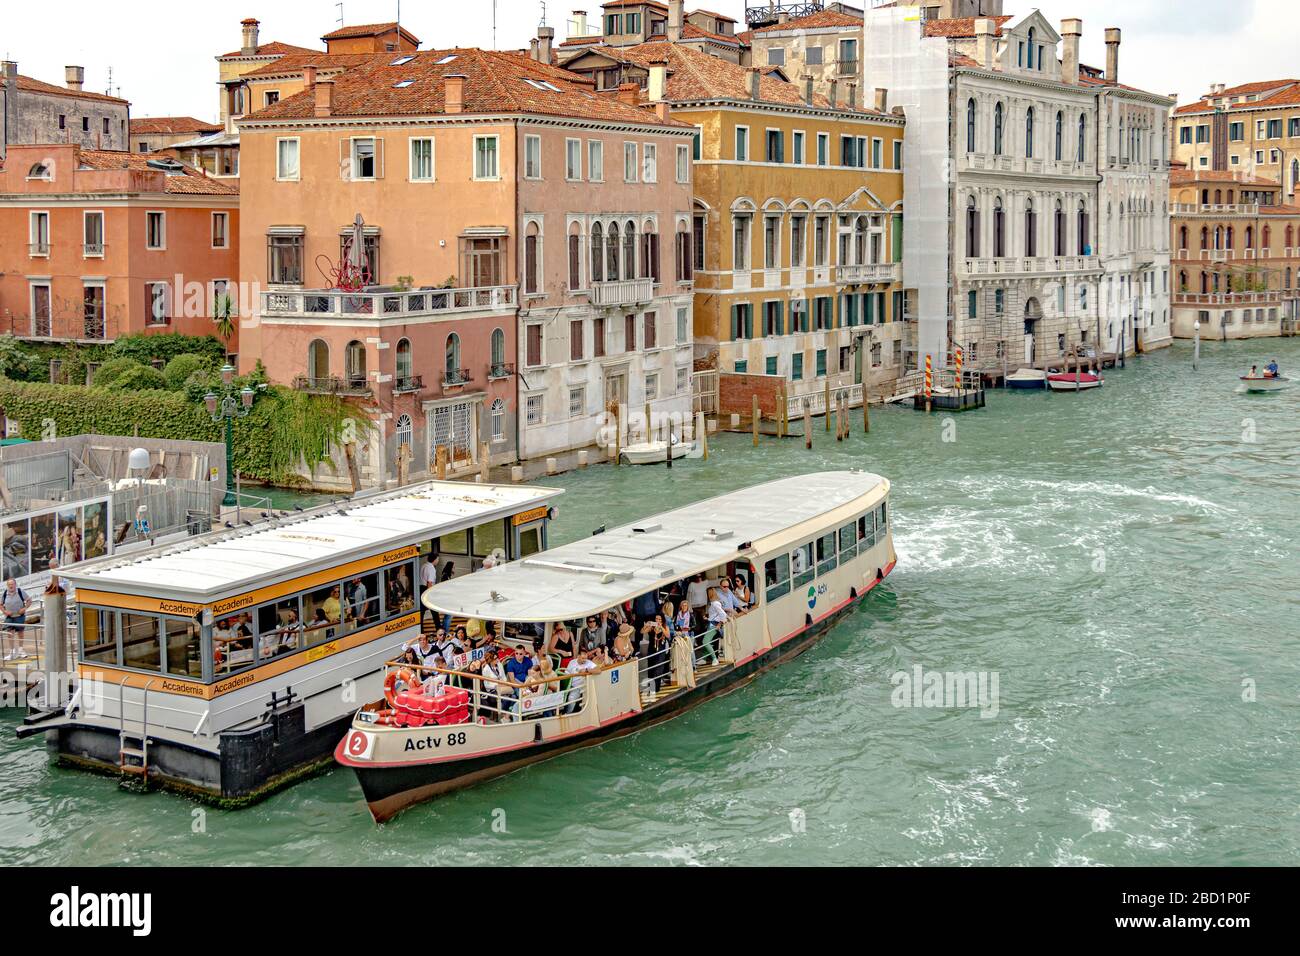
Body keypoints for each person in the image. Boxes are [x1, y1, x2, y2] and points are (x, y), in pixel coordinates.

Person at [563, 649, 597, 714]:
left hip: (578, 687)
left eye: (585, 658)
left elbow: (598, 670)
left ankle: (567, 714)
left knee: (571, 698)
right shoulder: (572, 662)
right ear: (578, 656)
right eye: (583, 658)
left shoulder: (589, 663)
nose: (584, 660)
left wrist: (587, 670)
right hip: (569, 685)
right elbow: (566, 673)